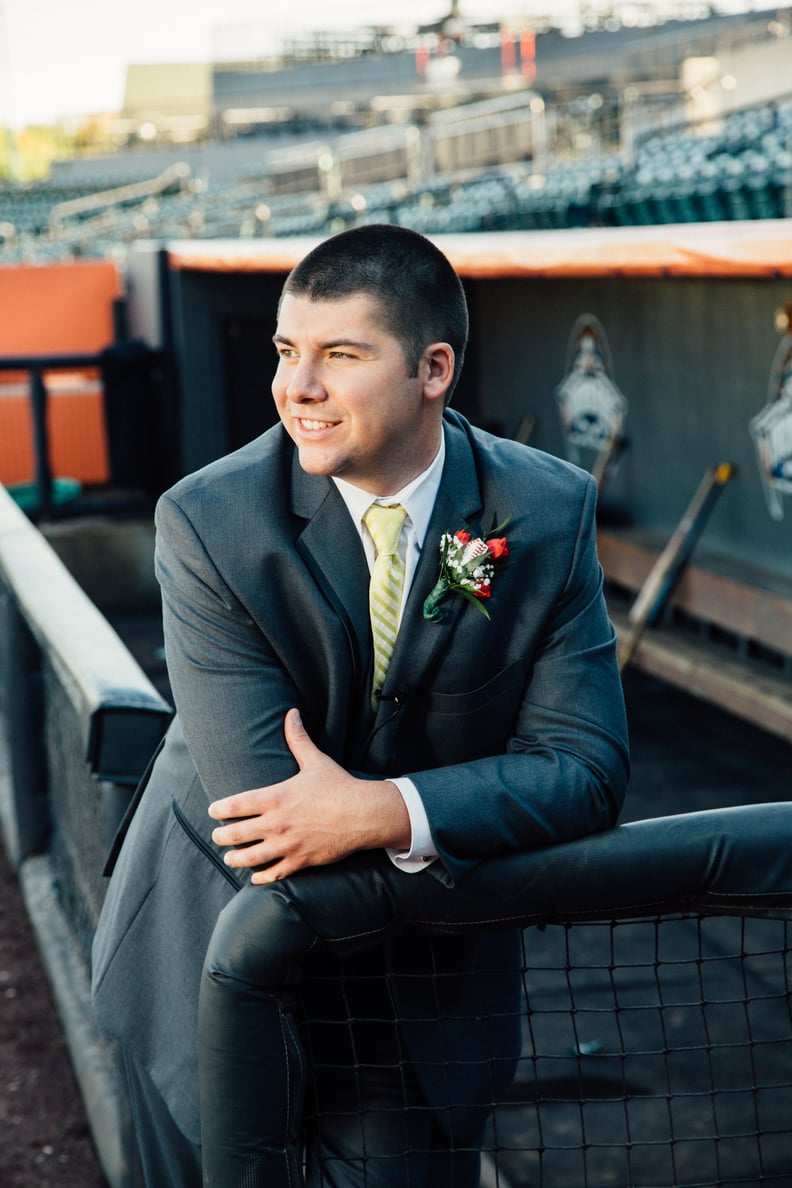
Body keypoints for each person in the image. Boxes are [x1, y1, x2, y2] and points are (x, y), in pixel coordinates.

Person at [91, 223, 630, 1187]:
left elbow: (586, 773)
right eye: (287, 352)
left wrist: (384, 810)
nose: (297, 388)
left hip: (419, 987)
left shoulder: (545, 512)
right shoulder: (209, 520)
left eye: (340, 355)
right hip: (207, 957)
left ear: (434, 369)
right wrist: (462, 806)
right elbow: (265, 818)